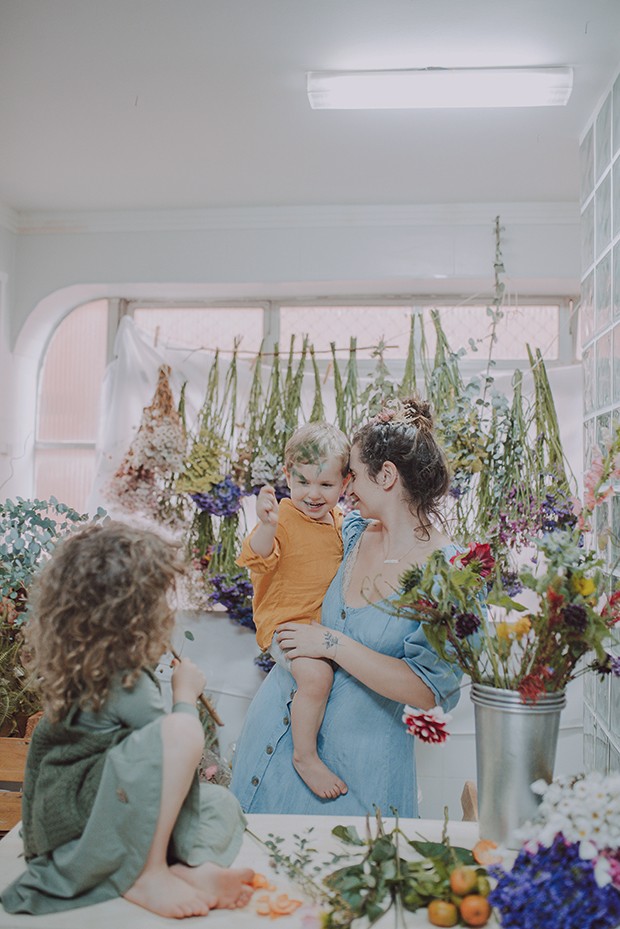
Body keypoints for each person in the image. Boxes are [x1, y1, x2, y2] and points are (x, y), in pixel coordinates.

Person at [1, 521, 254, 919]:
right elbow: (169, 748)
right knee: (181, 729)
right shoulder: (123, 679)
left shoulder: (87, 661)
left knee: (218, 803)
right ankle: (149, 872)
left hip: (66, 817)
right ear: (135, 612)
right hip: (80, 825)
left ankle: (188, 870)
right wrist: (185, 695)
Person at [230, 397, 464, 817]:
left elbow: (428, 691)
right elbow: (276, 566)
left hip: (356, 778)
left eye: (351, 475)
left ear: (387, 475)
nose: (346, 488)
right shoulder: (350, 533)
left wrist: (331, 643)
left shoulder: (450, 574)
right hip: (269, 747)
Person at [237, 421, 350, 800]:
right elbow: (259, 555)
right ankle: (305, 757)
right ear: (287, 476)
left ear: (346, 483)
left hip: (319, 629)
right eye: (302, 482)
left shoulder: (338, 523)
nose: (312, 494)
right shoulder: (282, 518)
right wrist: (266, 525)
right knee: (316, 678)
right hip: (286, 626)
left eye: (326, 485)